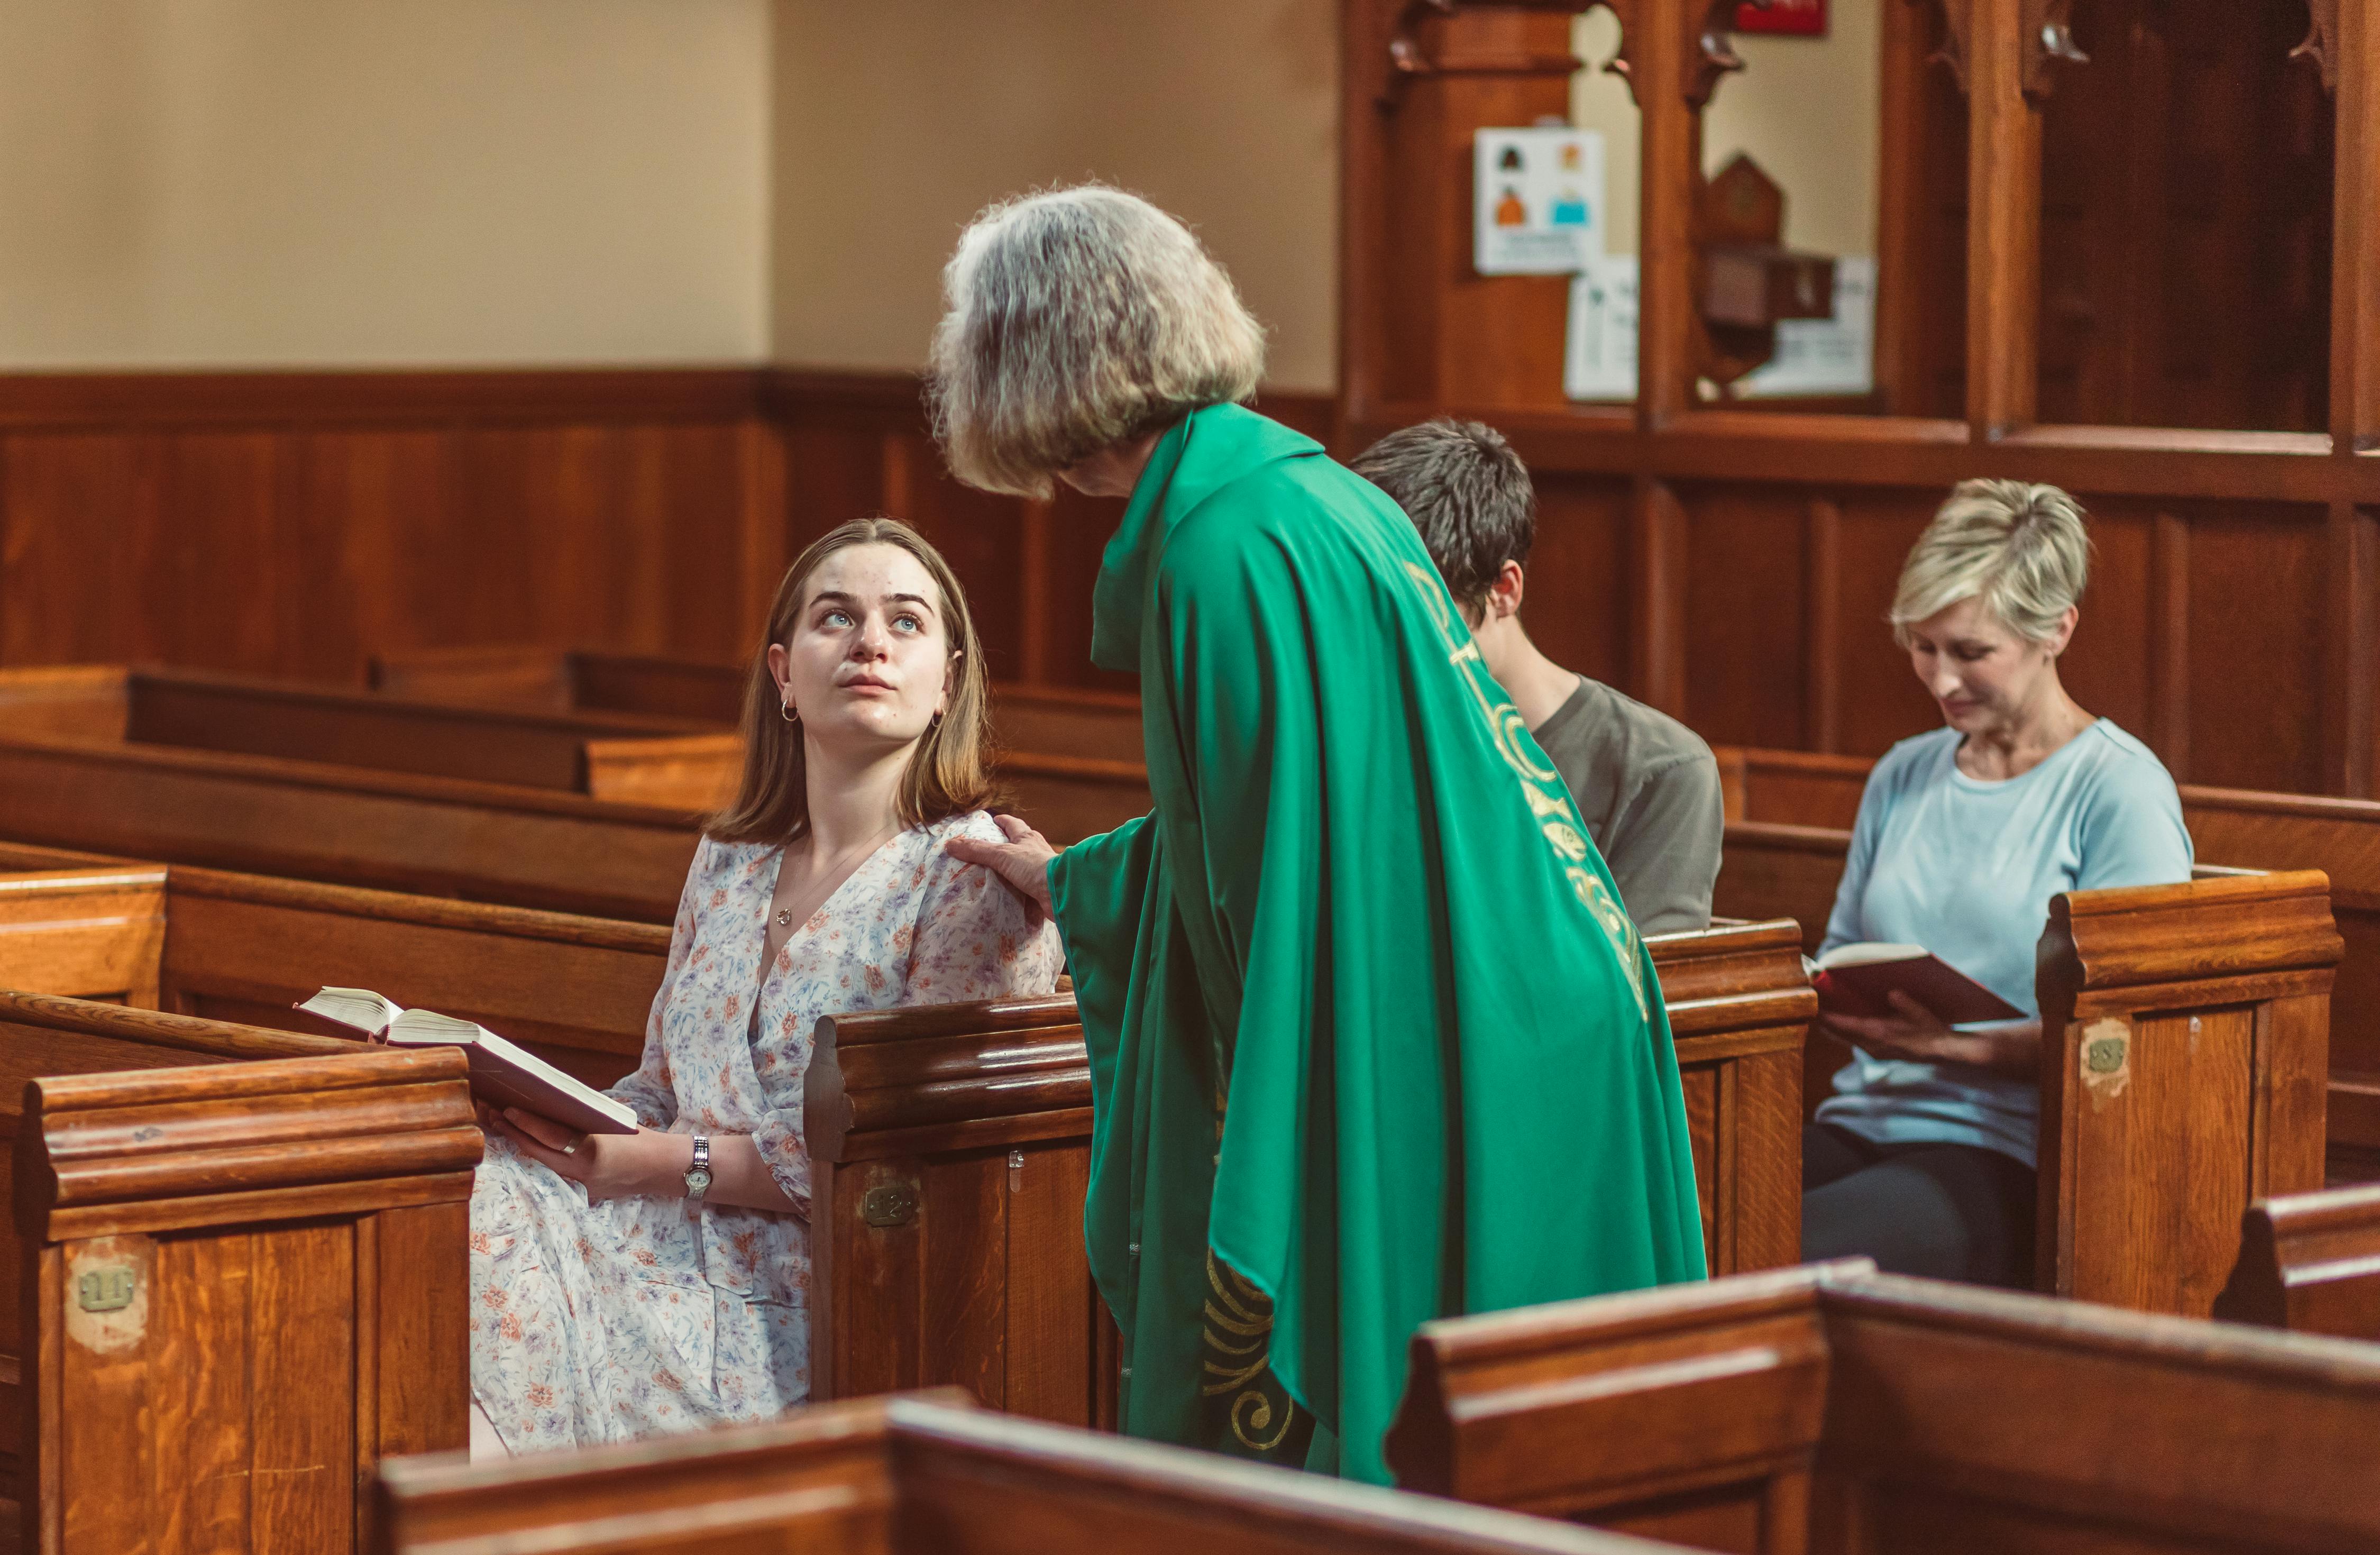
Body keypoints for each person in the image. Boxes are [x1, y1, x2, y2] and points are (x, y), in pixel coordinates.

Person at [931, 185, 1705, 1484]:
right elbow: (1316, 829)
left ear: (1035, 368)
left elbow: (1263, 902)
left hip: (1453, 1022)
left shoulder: (1223, 549)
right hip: (1529, 989)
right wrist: (1078, 876)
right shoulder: (1303, 495)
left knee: (1361, 1424)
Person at [467, 518, 1063, 1456]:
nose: (870, 641)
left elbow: (904, 1168)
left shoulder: (974, 878)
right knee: (474, 1187)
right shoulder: (731, 859)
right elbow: (660, 1084)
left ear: (948, 683)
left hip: (821, 1300)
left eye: (906, 623)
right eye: (838, 617)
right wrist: (565, 1120)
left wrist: (661, 1165)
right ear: (784, 673)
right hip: (656, 1239)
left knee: (484, 1238)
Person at [1806, 480, 2191, 1286]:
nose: (1942, 680)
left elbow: (2132, 1041)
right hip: (1862, 1116)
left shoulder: (2116, 789)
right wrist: (1838, 999)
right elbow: (1841, 952)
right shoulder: (1903, 773)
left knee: (1780, 1254)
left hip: (2010, 1150)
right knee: (1673, 1217)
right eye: (1924, 646)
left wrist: (1957, 1047)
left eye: (1972, 653)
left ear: (2057, 629)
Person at [1351, 418, 1723, 934]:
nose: (1391, 648)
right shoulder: (1361, 738)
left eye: (1421, 616)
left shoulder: (1660, 769)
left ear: (1504, 590)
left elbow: (1638, 998)